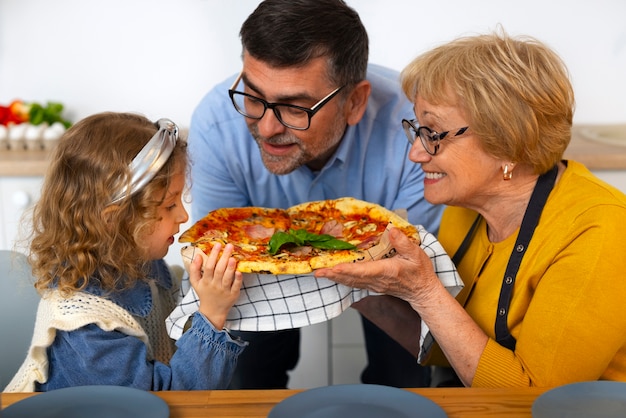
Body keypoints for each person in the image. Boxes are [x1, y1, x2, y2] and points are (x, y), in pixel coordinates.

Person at [314, 29, 626, 387]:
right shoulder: (466, 208)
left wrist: (425, 291)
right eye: (416, 129)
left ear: (508, 143)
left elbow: (535, 401)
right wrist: (356, 285)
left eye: (433, 133)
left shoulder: (600, 230)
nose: (415, 152)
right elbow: (449, 347)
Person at [181, 0, 443, 389]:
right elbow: (220, 257)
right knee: (243, 375)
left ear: (354, 102)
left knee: (404, 371)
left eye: (293, 108)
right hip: (258, 275)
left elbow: (415, 272)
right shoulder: (218, 124)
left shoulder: (416, 129)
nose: (267, 127)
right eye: (254, 97)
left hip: (386, 279)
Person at [4, 112, 247, 392]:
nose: (183, 216)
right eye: (169, 205)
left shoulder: (138, 261)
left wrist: (208, 291)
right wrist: (212, 314)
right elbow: (168, 400)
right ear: (116, 219)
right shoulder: (86, 327)